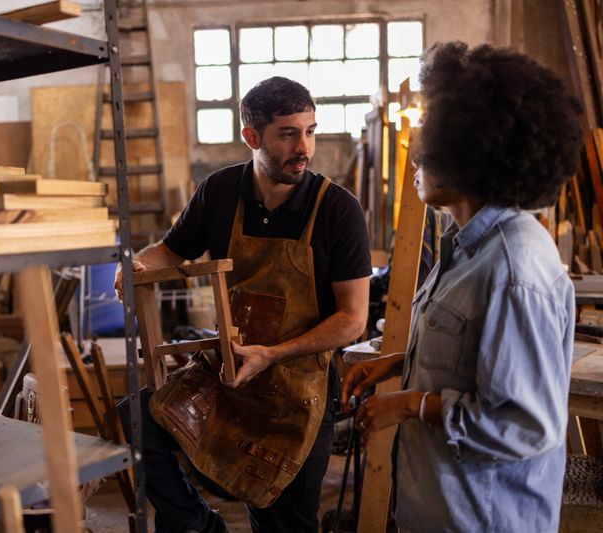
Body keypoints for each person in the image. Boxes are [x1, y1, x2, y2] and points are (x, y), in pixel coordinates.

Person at [341, 42, 583, 532]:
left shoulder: (514, 269)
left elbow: (523, 426)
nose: (415, 156)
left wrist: (411, 402)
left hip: (485, 518)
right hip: (444, 509)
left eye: (432, 137)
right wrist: (400, 366)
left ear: (472, 149)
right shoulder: (467, 248)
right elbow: (471, 361)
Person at [114, 76, 371, 533]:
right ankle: (200, 526)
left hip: (299, 390)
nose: (303, 148)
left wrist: (271, 355)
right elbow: (170, 253)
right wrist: (135, 263)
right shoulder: (220, 191)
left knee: (281, 521)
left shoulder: (337, 209)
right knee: (137, 417)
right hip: (230, 369)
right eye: (288, 134)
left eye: (310, 131)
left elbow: (352, 320)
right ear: (251, 136)